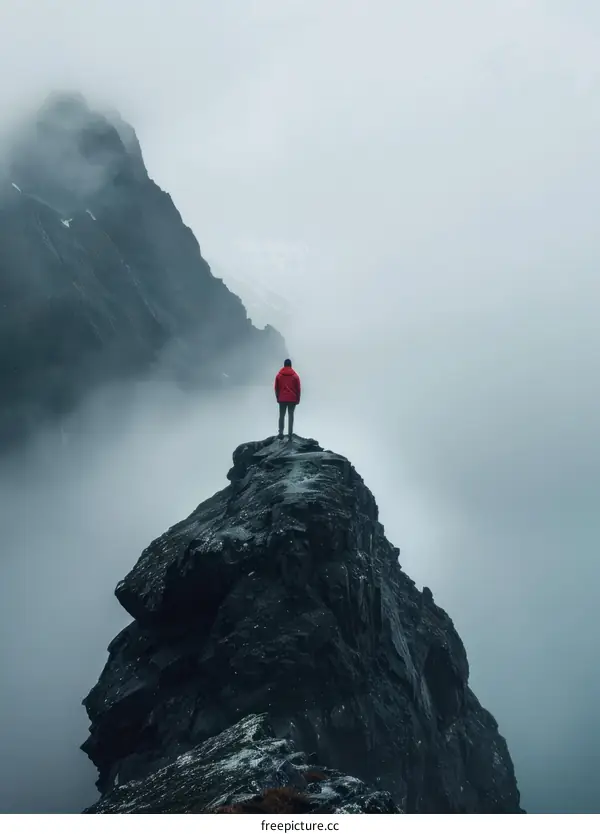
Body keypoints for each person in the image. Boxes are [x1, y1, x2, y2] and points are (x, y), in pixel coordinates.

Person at [274, 359, 301, 439]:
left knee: (281, 415)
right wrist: (298, 399)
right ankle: (290, 434)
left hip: (282, 399)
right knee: (291, 415)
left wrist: (277, 397)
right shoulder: (295, 376)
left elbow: (276, 388)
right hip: (292, 399)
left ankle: (281, 433)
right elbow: (298, 389)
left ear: (284, 365)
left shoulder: (279, 375)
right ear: (291, 365)